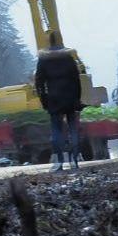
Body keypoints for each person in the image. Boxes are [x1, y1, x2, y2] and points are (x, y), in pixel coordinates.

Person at [34, 30, 82, 171]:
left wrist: (44, 100)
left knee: (56, 130)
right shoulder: (68, 57)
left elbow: (39, 82)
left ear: (48, 41)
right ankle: (74, 160)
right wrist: (77, 99)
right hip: (70, 97)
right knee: (73, 128)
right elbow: (76, 79)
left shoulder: (44, 59)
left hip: (54, 98)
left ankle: (59, 161)